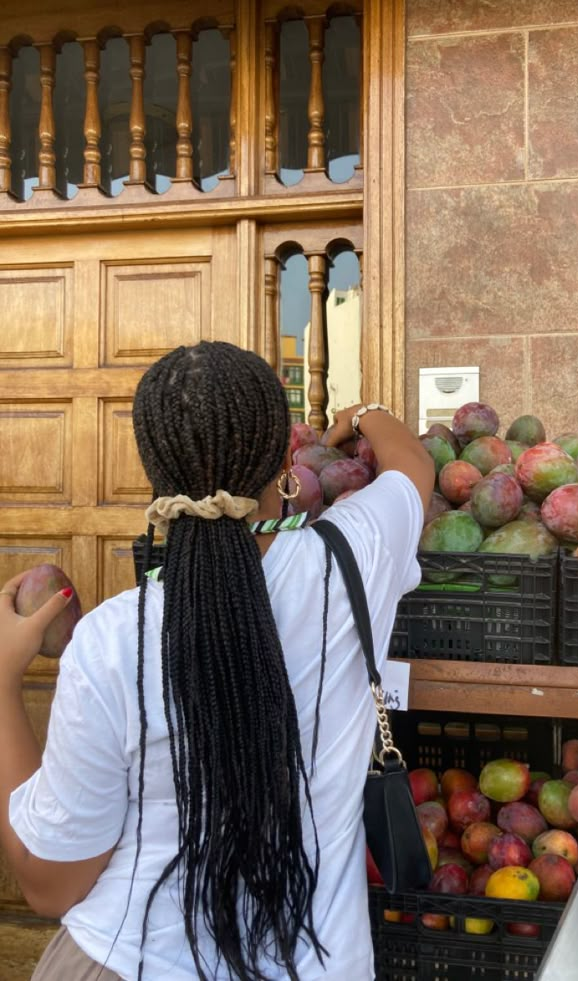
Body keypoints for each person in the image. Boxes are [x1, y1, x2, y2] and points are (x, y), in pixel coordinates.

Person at [0, 341, 434, 981]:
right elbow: (413, 465)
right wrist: (362, 414)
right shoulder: (352, 563)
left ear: (151, 470)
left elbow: (49, 887)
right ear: (287, 461)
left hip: (128, 960)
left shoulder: (113, 641)